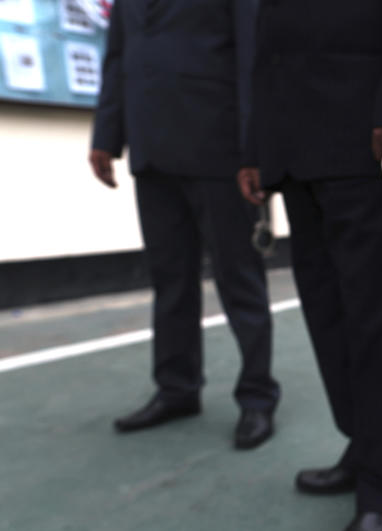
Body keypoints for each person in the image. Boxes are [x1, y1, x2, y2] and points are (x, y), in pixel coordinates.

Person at [237, 1, 382, 531]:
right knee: (329, 316)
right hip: (294, 142)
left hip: (374, 134)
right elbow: (263, 32)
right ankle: (367, 448)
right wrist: (256, 145)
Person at [89, 0, 280, 450]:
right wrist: (106, 135)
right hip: (151, 148)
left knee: (240, 279)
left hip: (220, 149)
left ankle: (257, 396)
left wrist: (254, 149)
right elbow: (119, 57)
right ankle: (177, 388)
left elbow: (252, 53)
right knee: (170, 280)